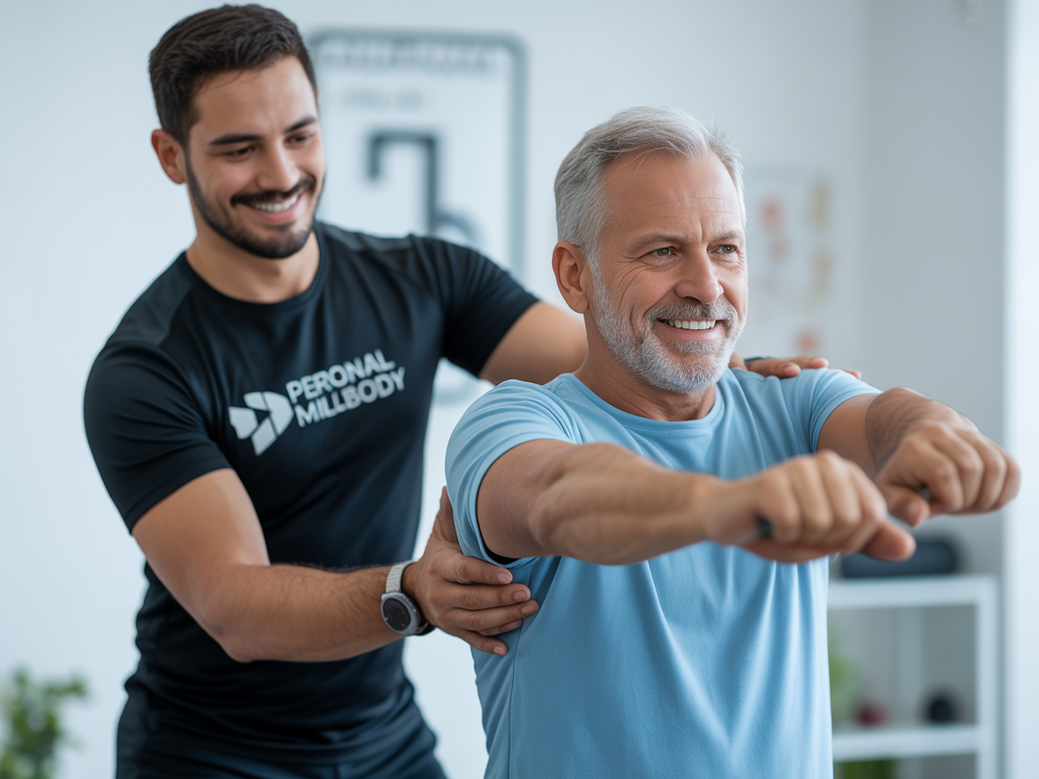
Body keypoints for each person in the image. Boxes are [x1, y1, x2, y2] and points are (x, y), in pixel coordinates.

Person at [82, 7, 818, 779]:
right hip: (209, 753)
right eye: (239, 149)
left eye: (299, 134)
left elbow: (617, 358)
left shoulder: (423, 280)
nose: (280, 172)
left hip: (384, 739)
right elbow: (234, 605)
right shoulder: (146, 370)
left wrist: (730, 357)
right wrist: (413, 591)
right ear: (172, 155)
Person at [446, 106, 1020, 779]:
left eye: (724, 248)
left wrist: (931, 432)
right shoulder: (512, 420)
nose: (705, 285)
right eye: (662, 251)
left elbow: (882, 416)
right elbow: (559, 496)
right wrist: (727, 506)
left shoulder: (793, 401)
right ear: (574, 275)